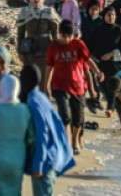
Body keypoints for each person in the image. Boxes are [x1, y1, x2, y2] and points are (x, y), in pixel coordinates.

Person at [44, 20, 103, 154]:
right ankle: (66, 142)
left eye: (68, 36)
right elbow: (49, 67)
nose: (64, 39)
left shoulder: (79, 45)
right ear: (58, 33)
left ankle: (75, 140)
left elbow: (88, 61)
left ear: (73, 35)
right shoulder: (53, 47)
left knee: (78, 119)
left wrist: (98, 72)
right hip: (59, 86)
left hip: (78, 87)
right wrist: (46, 86)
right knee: (65, 115)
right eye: (62, 36)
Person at [19, 64, 76, 196]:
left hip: (45, 160)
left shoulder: (33, 101)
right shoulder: (40, 96)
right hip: (54, 155)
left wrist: (38, 164)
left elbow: (42, 134)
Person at [0, 74, 35, 196]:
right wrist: (29, 159)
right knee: (15, 191)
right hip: (17, 160)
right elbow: (31, 139)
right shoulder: (25, 111)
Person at [17, 0, 60, 78]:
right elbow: (20, 35)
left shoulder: (49, 12)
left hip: (45, 50)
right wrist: (20, 52)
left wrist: (56, 51)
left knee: (44, 77)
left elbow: (55, 34)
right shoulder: (25, 12)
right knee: (30, 78)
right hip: (29, 51)